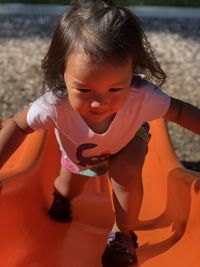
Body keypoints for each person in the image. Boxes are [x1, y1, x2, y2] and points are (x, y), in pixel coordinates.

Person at [0, 0, 199, 265]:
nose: (99, 103)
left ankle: (123, 235)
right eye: (84, 90)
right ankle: (62, 196)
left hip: (128, 139)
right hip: (81, 156)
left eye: (115, 89)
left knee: (125, 170)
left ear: (132, 74)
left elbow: (180, 112)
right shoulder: (54, 105)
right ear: (63, 73)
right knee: (69, 186)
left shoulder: (141, 97)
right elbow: (17, 125)